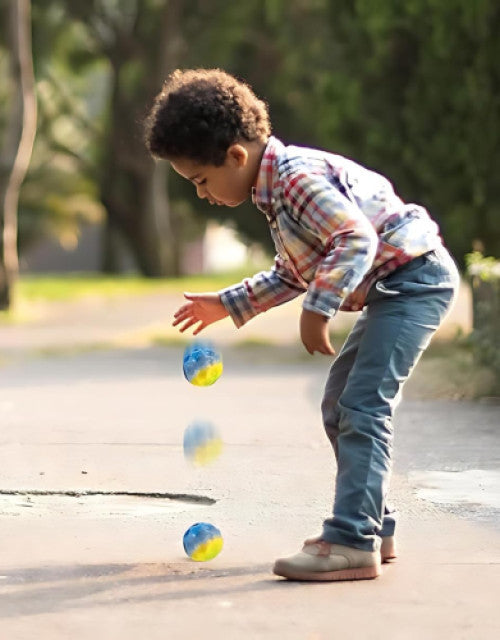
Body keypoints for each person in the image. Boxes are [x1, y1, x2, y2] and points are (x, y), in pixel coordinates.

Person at [144, 68, 459, 582]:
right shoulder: (277, 192)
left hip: (413, 280)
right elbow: (293, 269)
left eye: (200, 181)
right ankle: (371, 524)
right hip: (396, 285)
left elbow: (355, 238)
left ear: (236, 157)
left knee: (362, 404)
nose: (201, 194)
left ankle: (353, 541)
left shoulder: (294, 179)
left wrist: (319, 309)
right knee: (341, 403)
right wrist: (229, 303)